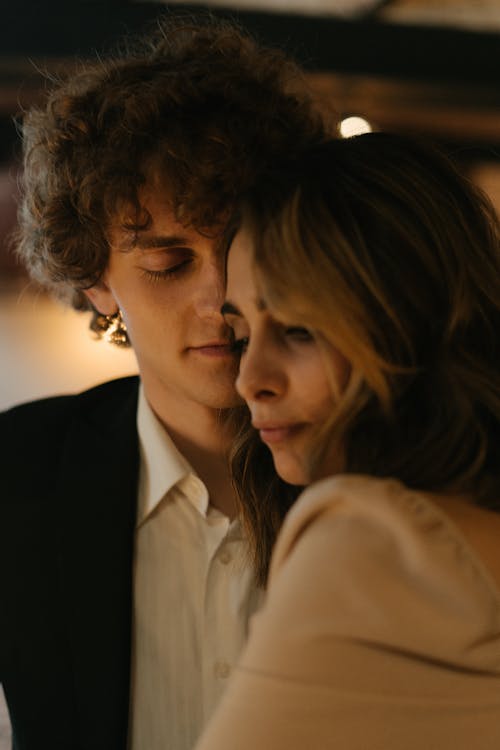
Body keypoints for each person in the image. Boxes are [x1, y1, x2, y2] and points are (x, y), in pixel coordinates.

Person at [0, 14, 323, 750]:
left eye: (244, 246)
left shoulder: (388, 468)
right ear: (94, 279)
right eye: (168, 264)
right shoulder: (16, 473)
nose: (221, 299)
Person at [196, 133, 500, 749]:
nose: (250, 380)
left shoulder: (375, 538)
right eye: (242, 333)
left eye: (300, 330)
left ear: (409, 322)